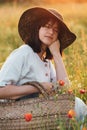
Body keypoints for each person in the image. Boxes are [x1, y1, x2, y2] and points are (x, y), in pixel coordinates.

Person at [0, 7, 86, 125]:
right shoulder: (24, 53)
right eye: (46, 26)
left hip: (38, 115)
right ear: (37, 28)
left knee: (76, 104)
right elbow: (1, 90)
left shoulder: (47, 63)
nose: (51, 32)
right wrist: (38, 87)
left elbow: (65, 91)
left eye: (55, 30)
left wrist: (56, 55)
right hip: (17, 115)